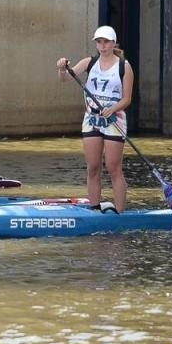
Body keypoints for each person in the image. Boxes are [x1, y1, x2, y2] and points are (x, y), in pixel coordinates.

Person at [58, 25, 132, 212]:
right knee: (93, 167)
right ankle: (94, 209)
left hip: (114, 121)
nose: (102, 46)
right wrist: (61, 68)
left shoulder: (124, 66)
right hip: (91, 120)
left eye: (106, 42)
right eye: (99, 42)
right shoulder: (89, 62)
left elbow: (127, 99)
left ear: (113, 43)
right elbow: (66, 77)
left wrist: (112, 109)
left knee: (113, 168)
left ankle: (121, 214)